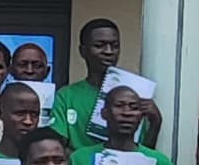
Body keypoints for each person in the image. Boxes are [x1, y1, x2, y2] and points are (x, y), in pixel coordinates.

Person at [55, 19, 152, 151]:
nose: (108, 51)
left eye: (115, 46)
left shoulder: (134, 96)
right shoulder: (67, 96)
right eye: (99, 45)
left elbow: (145, 153)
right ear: (83, 51)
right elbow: (57, 147)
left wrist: (155, 121)